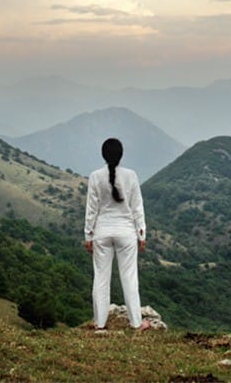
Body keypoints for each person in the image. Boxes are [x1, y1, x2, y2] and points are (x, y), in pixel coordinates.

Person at [84, 137, 151, 331]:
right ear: (121, 155)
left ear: (103, 155)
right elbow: (137, 207)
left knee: (101, 278)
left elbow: (91, 209)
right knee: (129, 277)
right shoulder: (131, 176)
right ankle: (137, 323)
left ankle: (100, 323)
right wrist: (141, 234)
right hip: (126, 232)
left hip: (102, 232)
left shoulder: (95, 176)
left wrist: (88, 235)